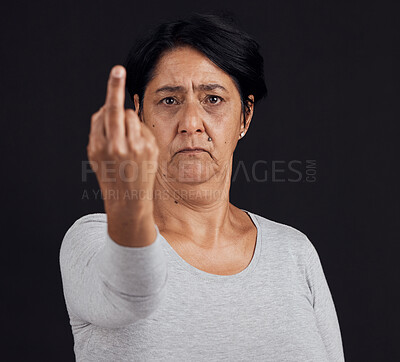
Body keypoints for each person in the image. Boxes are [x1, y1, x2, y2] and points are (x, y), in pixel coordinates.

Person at [59, 13, 345, 361]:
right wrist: (127, 193)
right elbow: (133, 291)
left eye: (213, 99)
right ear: (138, 113)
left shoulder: (294, 254)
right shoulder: (94, 241)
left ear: (245, 116)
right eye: (169, 100)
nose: (191, 123)